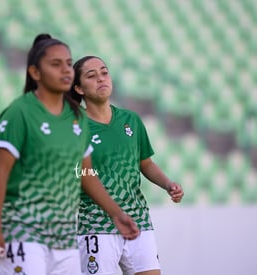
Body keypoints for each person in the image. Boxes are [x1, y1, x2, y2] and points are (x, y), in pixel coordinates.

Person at [0, 35, 139, 275]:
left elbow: (86, 174)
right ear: (35, 72)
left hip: (64, 237)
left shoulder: (77, 117)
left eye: (68, 63)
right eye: (56, 64)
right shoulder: (18, 113)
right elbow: (0, 173)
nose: (66, 69)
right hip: (23, 230)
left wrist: (116, 213)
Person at [69, 56, 184, 275]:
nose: (101, 79)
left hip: (137, 220)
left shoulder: (131, 119)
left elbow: (145, 163)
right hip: (97, 224)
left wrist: (168, 184)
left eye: (104, 72)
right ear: (79, 88)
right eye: (92, 76)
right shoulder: (75, 125)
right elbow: (78, 172)